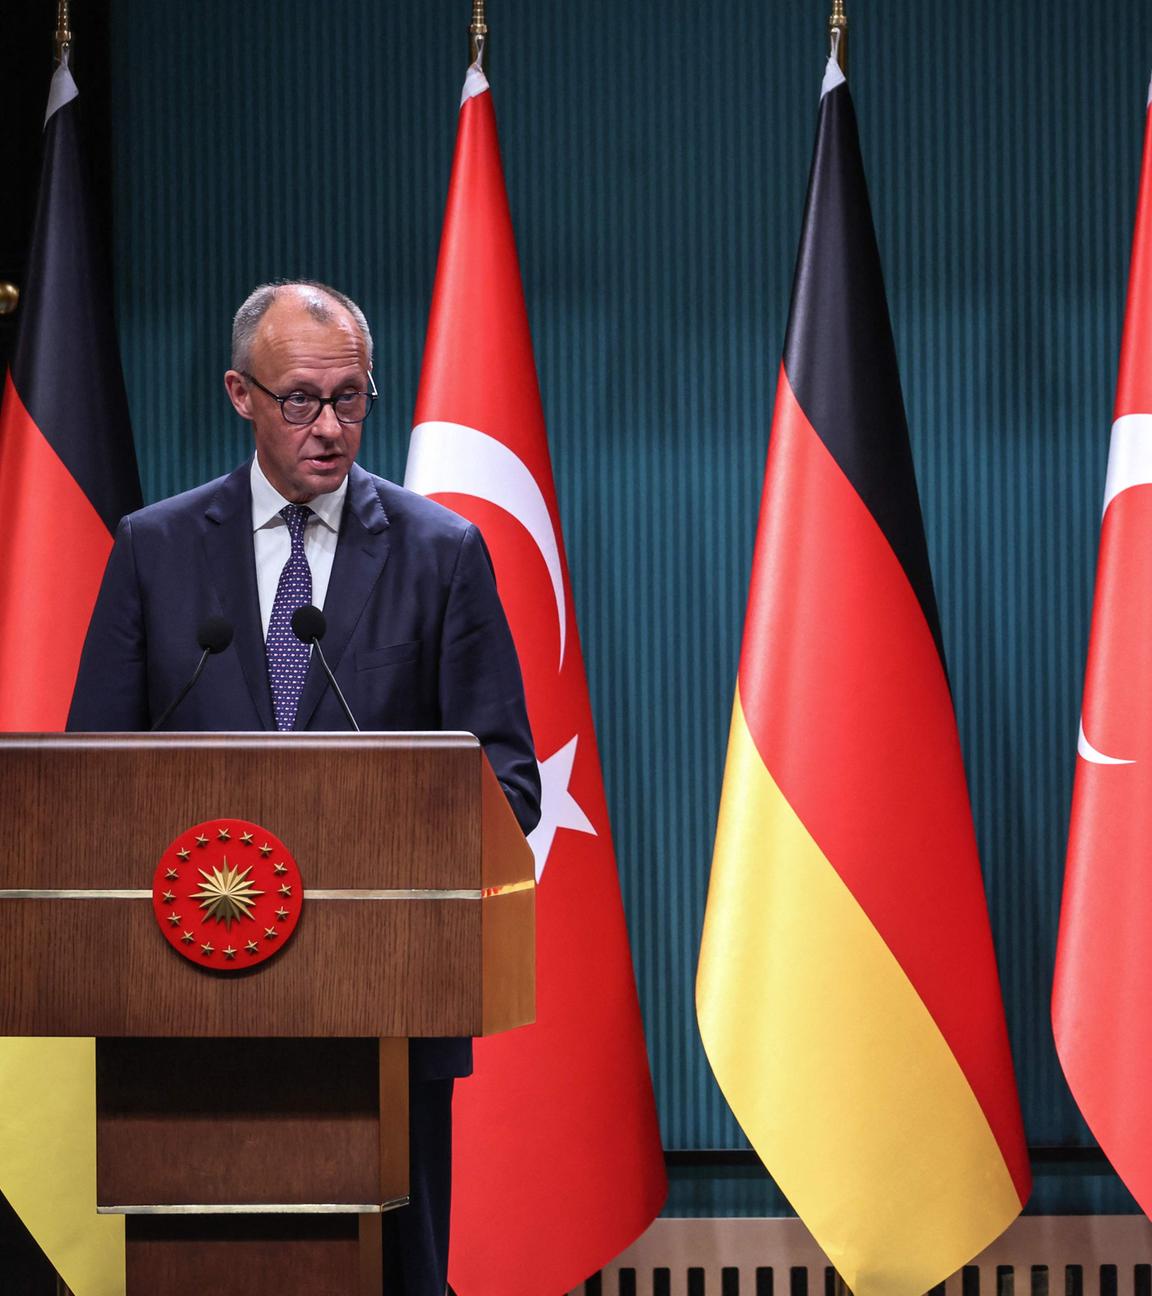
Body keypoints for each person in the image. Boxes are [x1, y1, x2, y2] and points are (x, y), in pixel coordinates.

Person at [67, 279, 541, 1295]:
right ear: (240, 392)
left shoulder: (441, 553)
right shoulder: (153, 550)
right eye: (300, 399)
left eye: (353, 398)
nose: (329, 427)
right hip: (188, 1017)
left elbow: (504, 781)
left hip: (385, 1011)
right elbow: (89, 783)